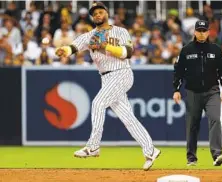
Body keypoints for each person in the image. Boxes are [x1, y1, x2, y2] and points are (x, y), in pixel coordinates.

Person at [55, 2, 160, 171]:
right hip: (106, 78)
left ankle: (93, 146)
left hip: (121, 72)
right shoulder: (89, 35)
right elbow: (73, 47)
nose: (97, 15)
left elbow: (128, 53)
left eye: (100, 11)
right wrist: (64, 51)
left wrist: (105, 46)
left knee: (98, 103)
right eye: (94, 13)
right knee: (128, 118)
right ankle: (151, 150)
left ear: (106, 13)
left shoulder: (120, 31)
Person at [173, 20, 222, 166]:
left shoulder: (216, 50)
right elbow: (179, 71)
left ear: (208, 32)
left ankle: (217, 154)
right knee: (192, 125)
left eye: (204, 31)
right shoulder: (186, 50)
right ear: (195, 32)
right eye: (199, 31)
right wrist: (176, 90)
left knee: (215, 118)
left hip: (212, 91)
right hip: (193, 92)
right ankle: (191, 158)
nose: (202, 33)